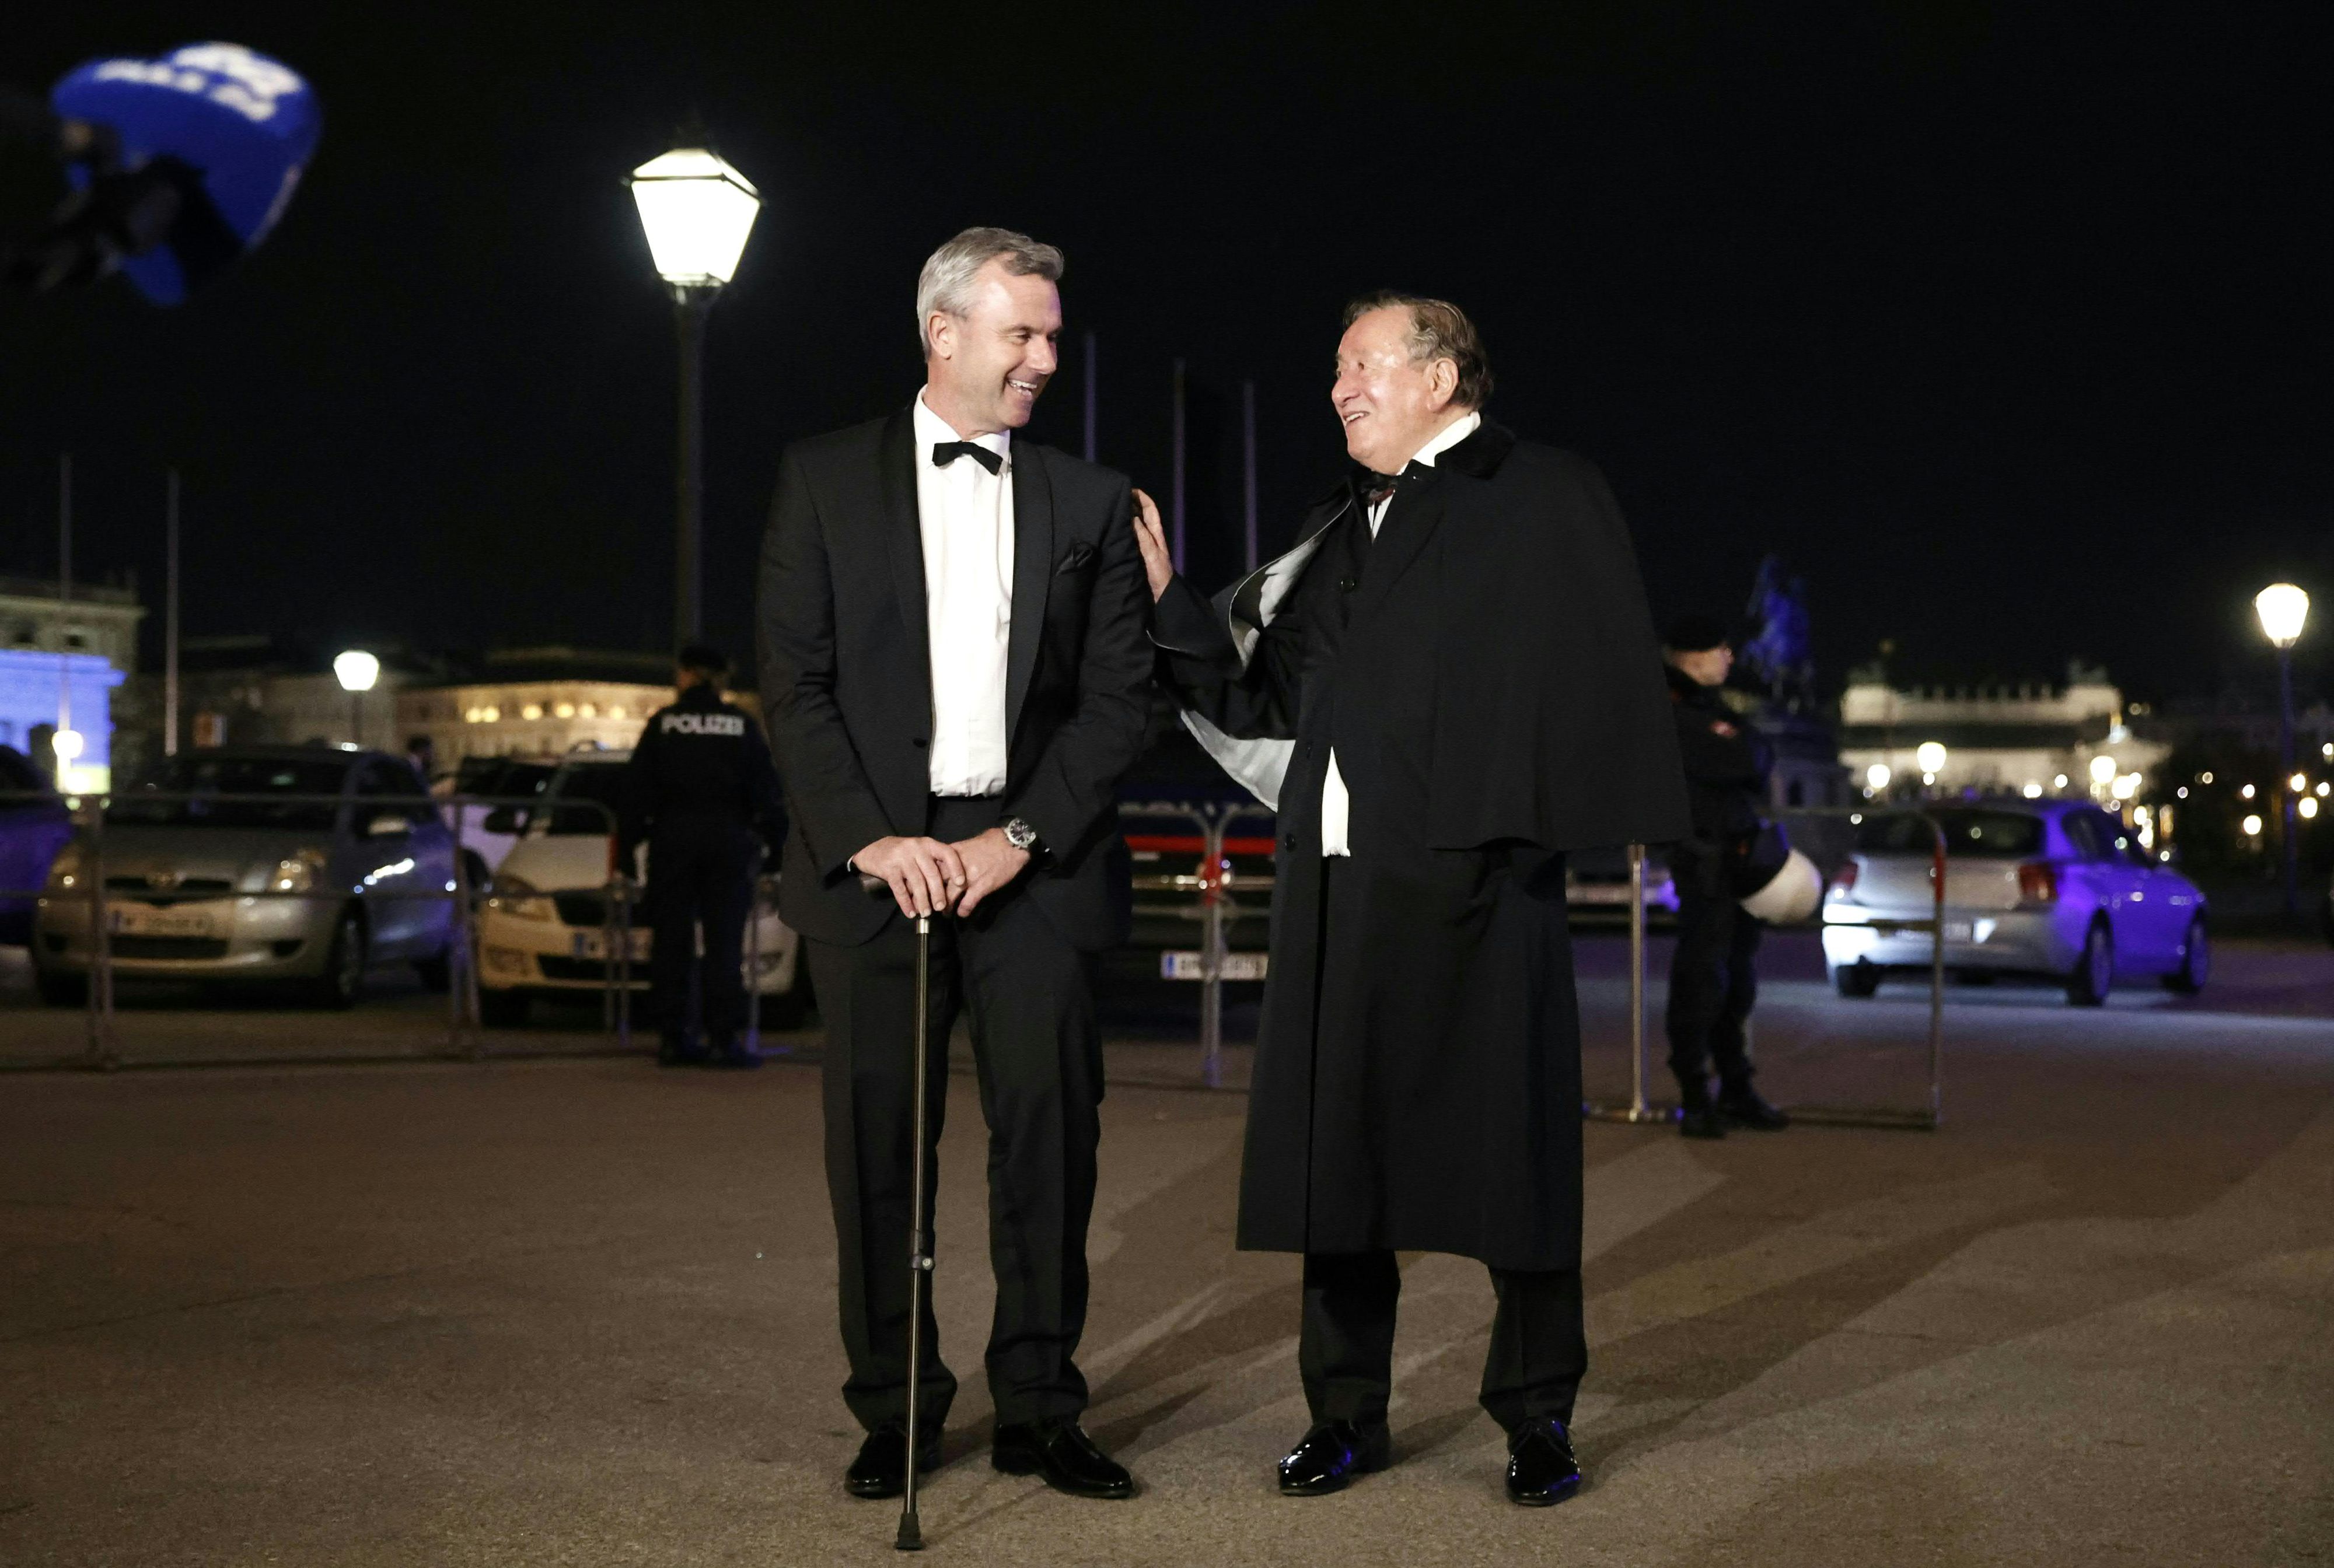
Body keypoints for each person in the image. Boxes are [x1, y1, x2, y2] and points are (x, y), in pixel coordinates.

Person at [1135, 293, 1688, 1508]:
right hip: (1338, 893)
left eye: (1358, 364)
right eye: (1334, 368)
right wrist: (1174, 600)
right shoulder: (1332, 534)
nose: (1337, 387)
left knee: (1517, 1166)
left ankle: (1535, 1417)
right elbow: (1266, 692)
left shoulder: (1541, 490)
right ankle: (1341, 1414)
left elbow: (1596, 669)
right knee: (1339, 1166)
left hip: (1486, 887)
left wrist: (1523, 830)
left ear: (1437, 375)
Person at [757, 228, 1152, 1503]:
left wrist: (1014, 840)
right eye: (1021, 334)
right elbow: (794, 684)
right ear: (944, 334)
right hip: (874, 863)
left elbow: (1116, 703)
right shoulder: (817, 479)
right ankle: (897, 1411)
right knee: (877, 1151)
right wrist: (870, 838)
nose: (1046, 356)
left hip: (1031, 861)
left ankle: (1040, 1403)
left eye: (1050, 334)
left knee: (1050, 1143)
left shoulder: (1090, 502)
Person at [616, 643, 786, 1070]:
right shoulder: (740, 725)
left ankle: (674, 1038)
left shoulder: (664, 724)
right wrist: (775, 846)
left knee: (671, 942)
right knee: (725, 944)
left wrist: (627, 847)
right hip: (729, 842)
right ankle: (724, 1039)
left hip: (673, 841)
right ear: (721, 679)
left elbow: (637, 790)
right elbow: (766, 788)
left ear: (688, 674)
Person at [1661, 617, 1792, 1139]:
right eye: (1721, 649)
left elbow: (1756, 754)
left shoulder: (1706, 706)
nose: (1730, 658)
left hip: (1735, 860)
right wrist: (1742, 749)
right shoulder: (1674, 709)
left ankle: (1735, 1086)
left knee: (1735, 979)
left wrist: (1744, 749)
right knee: (1702, 980)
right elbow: (1741, 757)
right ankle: (1696, 1093)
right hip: (1704, 861)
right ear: (1694, 657)